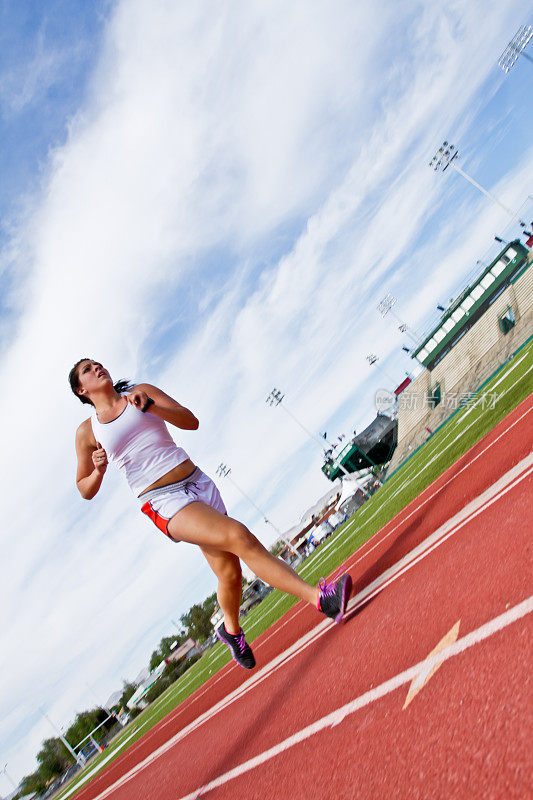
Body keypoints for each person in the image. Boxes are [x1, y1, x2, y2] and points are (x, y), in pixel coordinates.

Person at [70, 358, 352, 669]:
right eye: (87, 370)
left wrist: (151, 407)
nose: (98, 368)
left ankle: (231, 632)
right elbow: (84, 487)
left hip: (198, 482)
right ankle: (321, 599)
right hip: (163, 500)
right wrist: (97, 471)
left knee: (230, 574)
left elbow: (190, 422)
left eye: (97, 363)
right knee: (238, 536)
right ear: (81, 389)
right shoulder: (88, 431)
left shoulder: (141, 393)